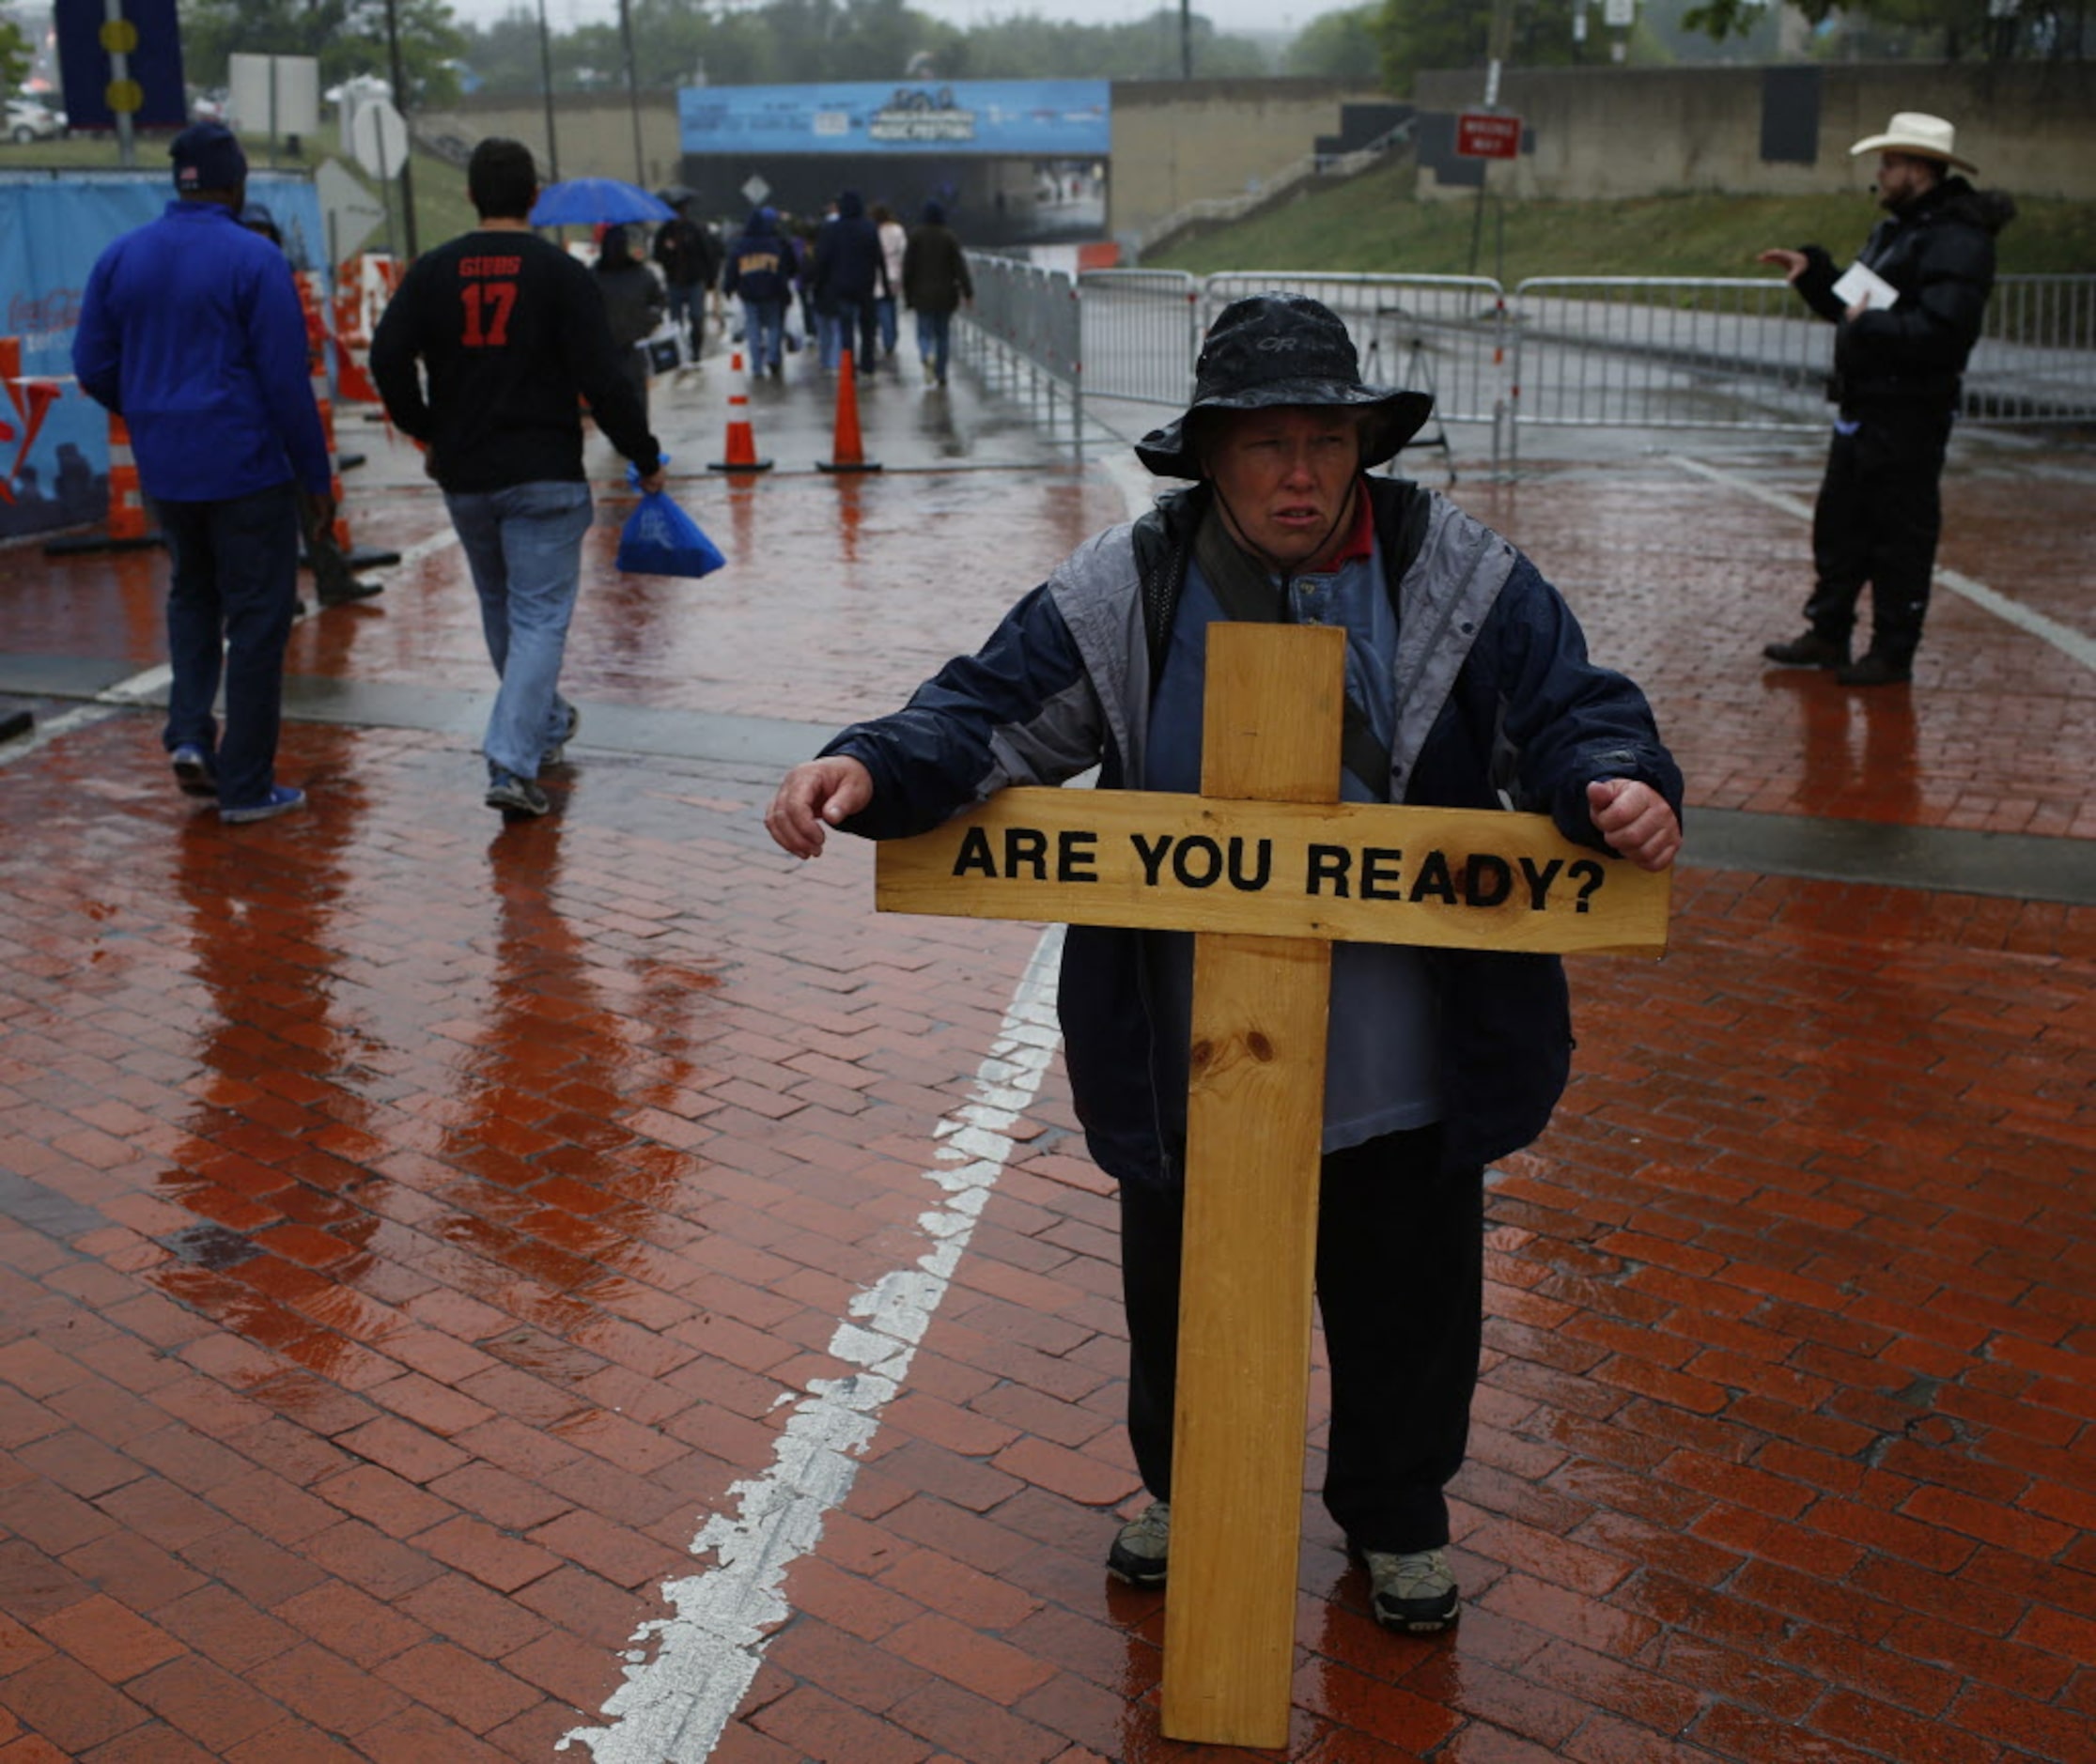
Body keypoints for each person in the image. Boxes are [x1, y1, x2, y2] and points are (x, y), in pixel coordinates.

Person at [766, 294, 1683, 1633]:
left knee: (1409, 1306)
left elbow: (1573, 709)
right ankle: (1188, 1488)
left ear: (1364, 443)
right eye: (1265, 444)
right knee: (1185, 1301)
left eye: (1326, 438)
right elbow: (984, 715)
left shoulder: (1461, 578)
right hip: (1193, 1047)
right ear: (1208, 455)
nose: (1300, 472)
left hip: (1408, 1057)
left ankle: (1397, 1511)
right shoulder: (1122, 590)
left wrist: (1615, 782)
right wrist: (869, 761)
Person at [368, 137, 664, 820]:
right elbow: (604, 377)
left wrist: (425, 428)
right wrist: (643, 457)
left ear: (471, 194)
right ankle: (510, 758)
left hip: (466, 471)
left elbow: (388, 355)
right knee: (537, 618)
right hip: (543, 471)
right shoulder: (560, 273)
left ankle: (545, 722)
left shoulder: (434, 269)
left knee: (502, 610)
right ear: (534, 196)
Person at [72, 120, 334, 825]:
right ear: (235, 181)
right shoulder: (252, 259)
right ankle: (247, 785)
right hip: (246, 466)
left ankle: (189, 734)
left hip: (168, 468)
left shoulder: (121, 257)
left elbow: (92, 364)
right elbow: (285, 381)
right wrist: (316, 476)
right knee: (256, 617)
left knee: (192, 596)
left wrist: (154, 407)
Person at [1757, 112, 2015, 688]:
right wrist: (1815, 276)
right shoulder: (1901, 230)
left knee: (1899, 534)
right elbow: (1858, 304)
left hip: (1910, 412)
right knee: (1842, 523)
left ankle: (1892, 650)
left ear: (1921, 169)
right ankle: (1829, 631)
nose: (1882, 172)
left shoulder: (1957, 237)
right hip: (1866, 407)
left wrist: (1869, 324)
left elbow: (1941, 334)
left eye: (1891, 162)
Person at [593, 224, 667, 423]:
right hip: (629, 342)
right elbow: (659, 302)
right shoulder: (640, 274)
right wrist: (649, 321)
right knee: (633, 390)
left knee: (615, 391)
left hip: (609, 344)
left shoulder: (593, 275)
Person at [810, 189, 888, 373]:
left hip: (840, 285)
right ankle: (868, 363)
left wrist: (818, 283)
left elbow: (823, 259)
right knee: (868, 327)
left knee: (845, 328)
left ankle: (847, 364)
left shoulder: (831, 229)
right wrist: (883, 282)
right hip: (865, 284)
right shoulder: (869, 227)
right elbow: (879, 257)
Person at [722, 206, 799, 380]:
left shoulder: (742, 246)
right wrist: (785, 291)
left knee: (753, 329)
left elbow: (732, 269)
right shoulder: (773, 245)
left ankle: (756, 366)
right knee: (774, 326)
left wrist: (729, 287)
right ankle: (772, 356)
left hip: (749, 293)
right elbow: (784, 270)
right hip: (772, 292)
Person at [901, 199, 972, 388]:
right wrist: (968, 292)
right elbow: (960, 267)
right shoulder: (949, 237)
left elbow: (908, 269)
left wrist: (907, 295)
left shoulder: (915, 237)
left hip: (921, 294)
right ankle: (941, 373)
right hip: (946, 294)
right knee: (943, 335)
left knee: (923, 332)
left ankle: (926, 355)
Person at [652, 196, 721, 362]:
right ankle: (681, 351)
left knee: (697, 318)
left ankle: (696, 350)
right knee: (676, 322)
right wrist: (669, 252)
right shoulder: (664, 232)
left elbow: (707, 255)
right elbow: (657, 255)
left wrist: (710, 279)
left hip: (695, 281)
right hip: (674, 281)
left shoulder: (695, 230)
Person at [871, 201, 908, 362]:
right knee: (891, 305)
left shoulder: (873, 231)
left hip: (877, 273)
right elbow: (904, 250)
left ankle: (886, 338)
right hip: (894, 272)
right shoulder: (898, 230)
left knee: (880, 306)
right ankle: (892, 337)